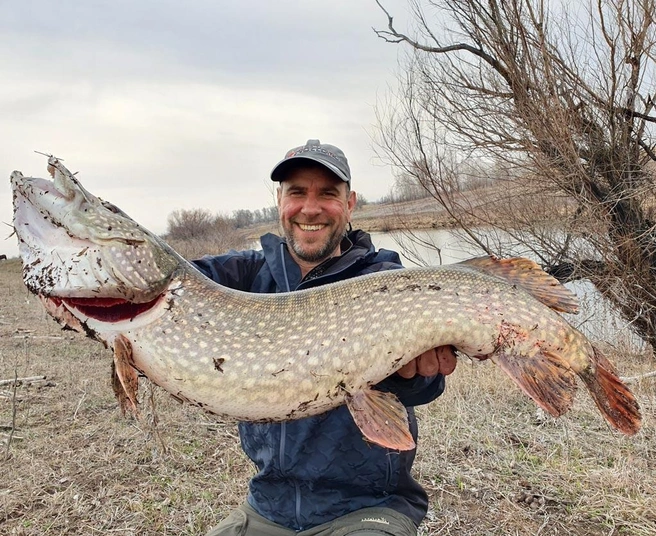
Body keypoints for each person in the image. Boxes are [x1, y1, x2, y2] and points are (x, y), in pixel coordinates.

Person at [195, 139, 457, 536]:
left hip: (368, 508)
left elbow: (425, 387)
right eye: (297, 192)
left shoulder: (382, 279)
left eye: (328, 194)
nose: (311, 208)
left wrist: (417, 373)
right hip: (267, 506)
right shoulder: (247, 275)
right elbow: (169, 281)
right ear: (279, 201)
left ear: (350, 204)